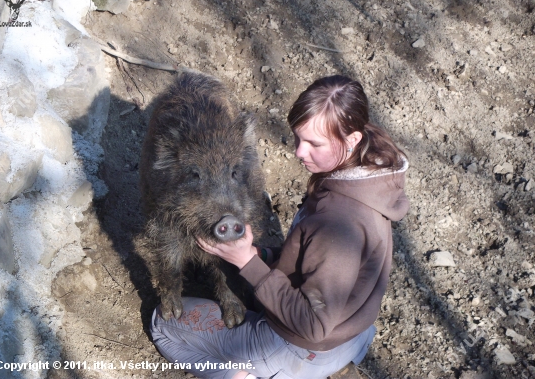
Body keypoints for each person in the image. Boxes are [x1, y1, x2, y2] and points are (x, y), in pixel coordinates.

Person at [150, 75, 410, 379]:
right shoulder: (371, 182)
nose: (299, 152)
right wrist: (262, 255)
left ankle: (245, 375)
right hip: (353, 336)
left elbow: (313, 326)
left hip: (300, 348)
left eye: (314, 143)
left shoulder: (337, 224)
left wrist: (247, 263)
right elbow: (314, 261)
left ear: (351, 139)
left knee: (162, 326)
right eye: (299, 138)